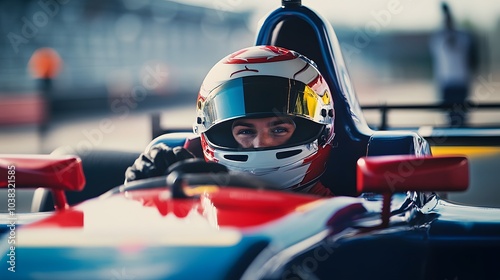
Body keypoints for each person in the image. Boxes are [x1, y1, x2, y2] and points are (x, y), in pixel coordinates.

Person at [125, 45, 335, 197]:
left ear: (322, 129)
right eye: (245, 132)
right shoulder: (192, 197)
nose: (261, 143)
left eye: (279, 129)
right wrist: (142, 196)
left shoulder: (339, 217)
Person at [429, 2, 478, 127]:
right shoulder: (440, 39)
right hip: (449, 82)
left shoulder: (461, 38)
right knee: (452, 118)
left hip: (458, 82)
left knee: (460, 118)